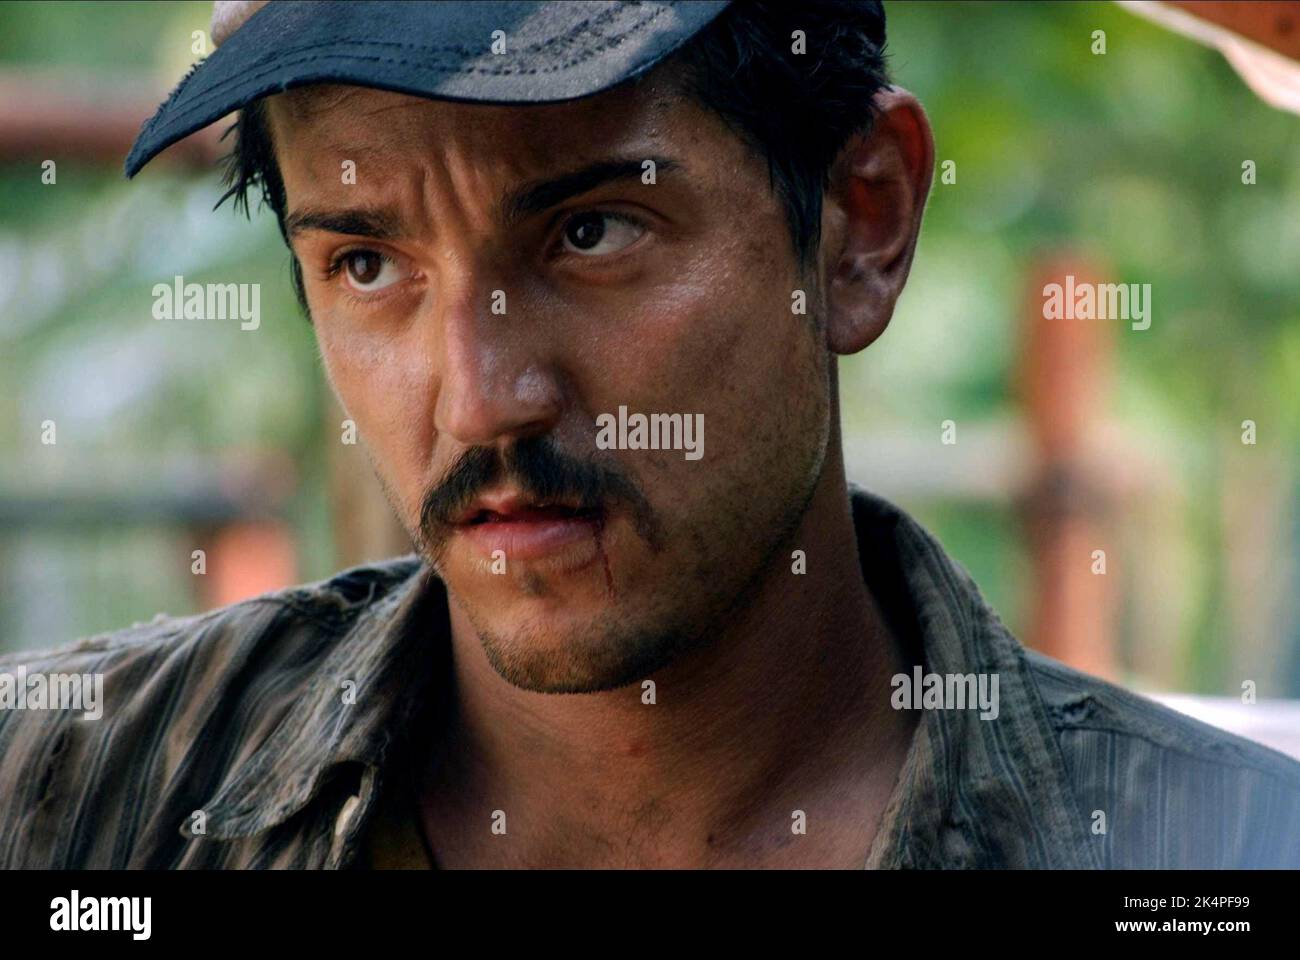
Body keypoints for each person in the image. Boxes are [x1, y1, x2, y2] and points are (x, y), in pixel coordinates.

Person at [1, 0, 1296, 869]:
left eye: (592, 231)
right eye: (367, 263)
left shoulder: (1212, 852)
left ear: (863, 220)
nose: (481, 396)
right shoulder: (78, 795)